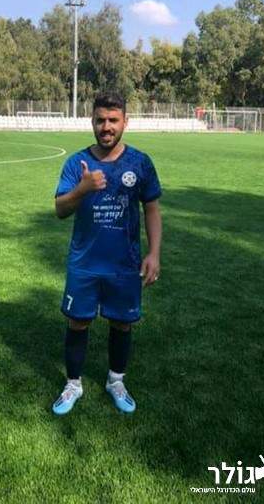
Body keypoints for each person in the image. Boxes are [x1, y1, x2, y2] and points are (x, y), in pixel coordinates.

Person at [52, 92, 162, 415]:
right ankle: (73, 384)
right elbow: (60, 209)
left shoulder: (140, 163)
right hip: (84, 263)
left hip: (124, 264)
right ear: (92, 121)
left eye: (113, 120)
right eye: (100, 120)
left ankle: (116, 381)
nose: (107, 127)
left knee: (121, 323)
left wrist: (154, 253)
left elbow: (152, 209)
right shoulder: (77, 164)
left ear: (125, 121)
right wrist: (83, 188)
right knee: (78, 322)